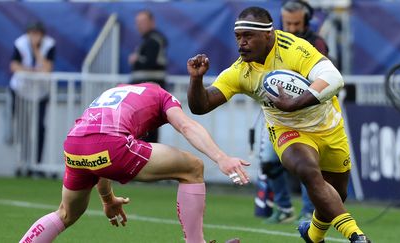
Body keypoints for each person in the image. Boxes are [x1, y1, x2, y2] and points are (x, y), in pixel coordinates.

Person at [186, 6, 371, 243]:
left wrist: (295, 103)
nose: (241, 43)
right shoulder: (241, 71)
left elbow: (335, 79)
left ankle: (313, 235)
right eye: (238, 37)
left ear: (268, 35)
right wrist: (196, 80)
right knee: (307, 169)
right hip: (287, 130)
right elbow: (201, 106)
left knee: (337, 194)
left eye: (248, 36)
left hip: (328, 126)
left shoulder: (294, 49)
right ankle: (357, 236)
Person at [19, 82, 249, 243]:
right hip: (110, 145)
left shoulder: (116, 92)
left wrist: (108, 199)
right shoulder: (161, 95)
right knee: (193, 167)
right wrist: (222, 157)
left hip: (74, 146)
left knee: (66, 213)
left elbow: (99, 155)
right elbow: (186, 126)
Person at [256, 0, 331, 224]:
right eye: (287, 23)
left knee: (308, 165)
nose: (291, 28)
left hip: (308, 114)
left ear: (306, 20)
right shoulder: (274, 42)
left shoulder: (317, 43)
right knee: (269, 162)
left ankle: (309, 211)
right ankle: (285, 207)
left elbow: (324, 77)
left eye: (296, 23)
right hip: (278, 115)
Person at [8, 21, 56, 173]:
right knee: (23, 127)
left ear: (42, 34)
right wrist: (31, 70)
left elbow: (47, 68)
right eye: (32, 33)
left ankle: (37, 163)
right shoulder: (20, 43)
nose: (34, 36)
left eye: (37, 33)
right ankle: (24, 163)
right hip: (21, 90)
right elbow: (14, 66)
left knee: (40, 127)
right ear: (28, 33)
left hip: (40, 91)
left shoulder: (49, 45)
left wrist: (36, 49)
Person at [128, 9, 168, 143]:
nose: (139, 25)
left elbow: (150, 62)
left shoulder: (154, 40)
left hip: (150, 91)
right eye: (137, 22)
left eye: (143, 22)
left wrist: (136, 59)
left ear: (152, 22)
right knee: (143, 128)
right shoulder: (147, 40)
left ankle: (151, 159)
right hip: (144, 91)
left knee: (149, 129)